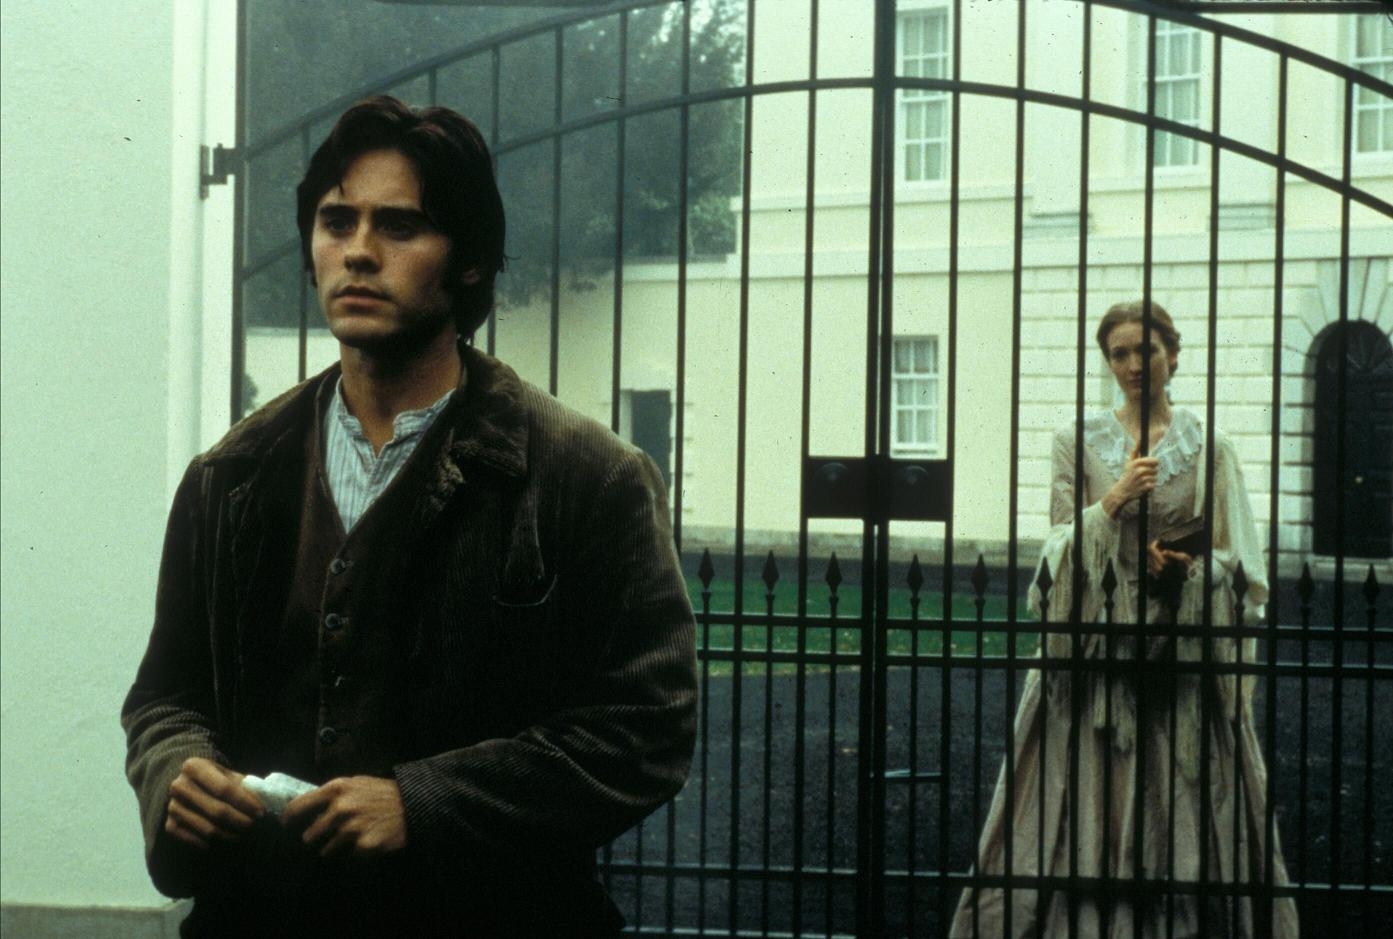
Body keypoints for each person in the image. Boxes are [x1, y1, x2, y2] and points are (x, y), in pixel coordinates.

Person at [122, 96, 697, 938]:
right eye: (335, 221)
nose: (357, 251)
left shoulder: (585, 476)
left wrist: (425, 803)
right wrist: (180, 771)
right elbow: (165, 696)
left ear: (468, 261)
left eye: (399, 225)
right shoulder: (231, 475)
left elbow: (646, 725)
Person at [949, 300, 1298, 938]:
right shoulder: (1075, 443)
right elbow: (1056, 554)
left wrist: (1191, 572)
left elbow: (1240, 563)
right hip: (1096, 657)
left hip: (1178, 656)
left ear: (1173, 354)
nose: (1134, 364)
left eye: (1147, 350)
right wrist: (1112, 500)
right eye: (1120, 353)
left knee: (1186, 800)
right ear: (1108, 362)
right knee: (1078, 805)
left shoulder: (1210, 447)